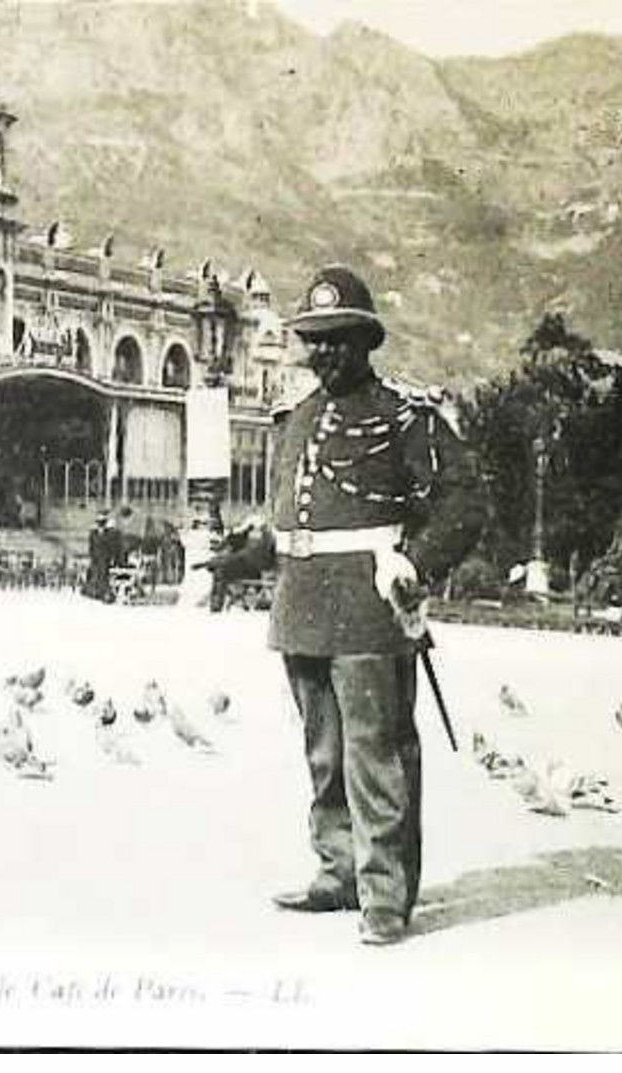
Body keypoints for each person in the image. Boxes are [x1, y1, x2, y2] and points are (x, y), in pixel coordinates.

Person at [202, 265, 485, 946]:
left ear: (364, 342)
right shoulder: (296, 418)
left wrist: (413, 562)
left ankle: (385, 894)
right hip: (300, 605)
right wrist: (243, 558)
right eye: (313, 339)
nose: (323, 352)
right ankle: (338, 871)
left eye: (336, 339)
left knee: (375, 754)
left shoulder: (403, 418)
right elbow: (288, 521)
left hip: (367, 608)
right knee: (323, 753)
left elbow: (463, 503)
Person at [83, 510, 118, 602]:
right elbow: (91, 546)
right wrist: (91, 556)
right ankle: (94, 592)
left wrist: (112, 558)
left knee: (103, 576)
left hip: (105, 559)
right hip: (96, 558)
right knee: (95, 575)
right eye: (99, 522)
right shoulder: (93, 533)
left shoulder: (110, 533)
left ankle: (104, 594)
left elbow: (112, 546)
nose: (100, 524)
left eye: (102, 522)